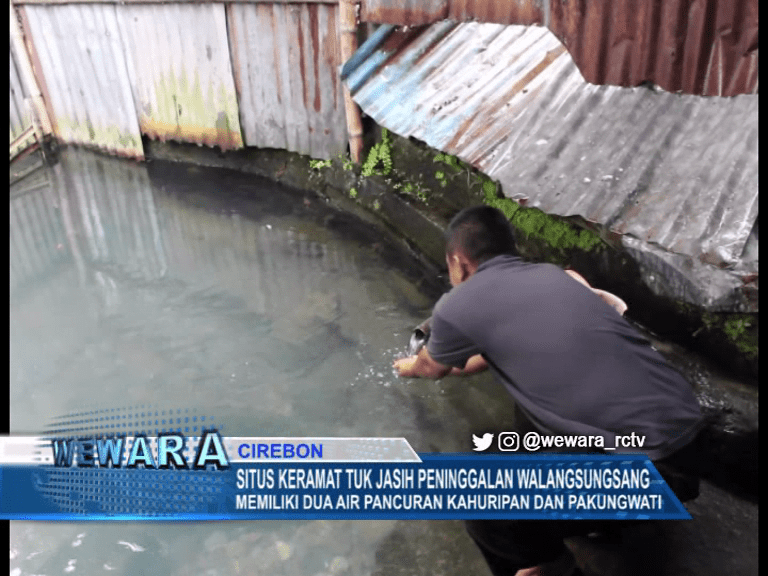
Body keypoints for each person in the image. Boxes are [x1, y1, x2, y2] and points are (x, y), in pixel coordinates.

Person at [393, 205, 704, 576]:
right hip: (693, 447)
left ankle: (551, 566)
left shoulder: (457, 304)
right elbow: (496, 354)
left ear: (457, 262)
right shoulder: (557, 276)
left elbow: (430, 367)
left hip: (646, 476)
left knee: (478, 498)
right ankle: (595, 521)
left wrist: (405, 367)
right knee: (530, 422)